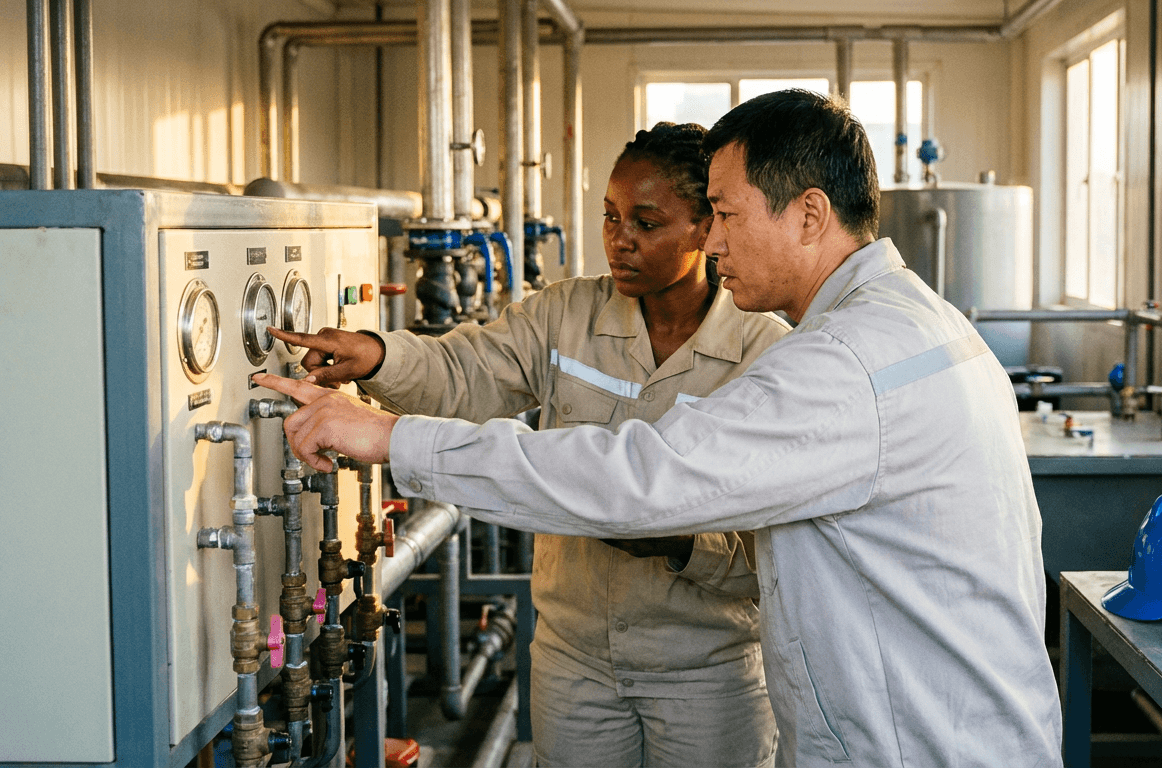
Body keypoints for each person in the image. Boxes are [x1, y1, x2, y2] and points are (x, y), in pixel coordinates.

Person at [258, 89, 1063, 767]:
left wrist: (393, 440)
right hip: (923, 723)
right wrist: (381, 366)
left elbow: (640, 479)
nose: (714, 241)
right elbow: (477, 371)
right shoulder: (917, 325)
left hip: (902, 738)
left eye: (724, 214)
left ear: (810, 215)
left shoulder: (837, 364)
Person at [269, 123, 786, 768]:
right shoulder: (567, 315)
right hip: (576, 662)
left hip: (707, 672)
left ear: (707, 228)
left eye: (646, 223)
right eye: (610, 216)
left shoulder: (764, 354)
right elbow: (463, 372)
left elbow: (777, 547)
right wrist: (375, 355)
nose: (619, 239)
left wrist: (681, 543)